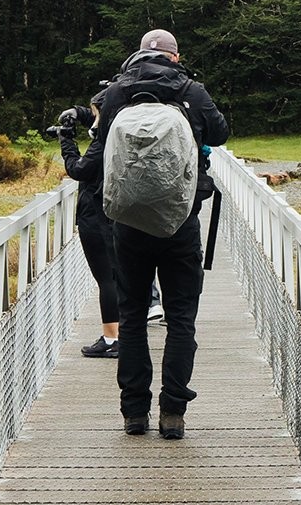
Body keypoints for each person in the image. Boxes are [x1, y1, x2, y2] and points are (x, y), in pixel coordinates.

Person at [81, 28, 228, 440]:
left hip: (126, 223)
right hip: (180, 221)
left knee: (131, 319)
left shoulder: (115, 94)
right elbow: (219, 134)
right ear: (175, 57)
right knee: (181, 320)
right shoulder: (192, 90)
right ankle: (173, 414)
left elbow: (97, 151)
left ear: (137, 56)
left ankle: (133, 413)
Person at [55, 102, 126, 358]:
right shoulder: (120, 134)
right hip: (118, 212)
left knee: (106, 279)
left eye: (94, 114)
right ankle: (124, 334)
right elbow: (101, 110)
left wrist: (66, 143)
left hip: (96, 216)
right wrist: (78, 113)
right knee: (119, 276)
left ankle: (111, 338)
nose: (92, 120)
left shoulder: (102, 142)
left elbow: (79, 170)